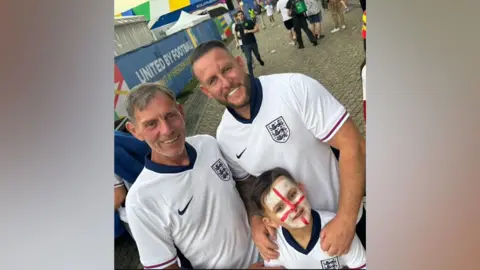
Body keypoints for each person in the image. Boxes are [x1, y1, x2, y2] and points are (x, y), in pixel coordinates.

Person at [190, 40, 366, 262]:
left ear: (240, 62)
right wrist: (255, 220)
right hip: (298, 247)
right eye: (213, 80)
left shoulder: (293, 87)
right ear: (206, 91)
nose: (226, 82)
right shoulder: (225, 136)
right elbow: (247, 183)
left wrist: (346, 220)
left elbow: (354, 144)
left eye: (227, 69)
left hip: (347, 222)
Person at [123, 83, 259, 269]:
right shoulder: (140, 201)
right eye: (151, 124)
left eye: (170, 115)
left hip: (270, 254)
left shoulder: (208, 144)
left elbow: (242, 188)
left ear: (181, 112)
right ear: (134, 131)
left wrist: (257, 218)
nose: (167, 130)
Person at [252, 168, 367, 269]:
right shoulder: (273, 247)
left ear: (301, 189)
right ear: (270, 222)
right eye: (280, 208)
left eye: (292, 195)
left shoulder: (337, 229)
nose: (293, 207)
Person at [234, 10, 265, 76]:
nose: (240, 16)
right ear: (237, 17)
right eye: (239, 15)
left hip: (253, 42)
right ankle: (251, 75)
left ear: (243, 15)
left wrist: (249, 31)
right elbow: (236, 35)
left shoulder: (249, 22)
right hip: (245, 45)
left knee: (257, 55)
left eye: (241, 14)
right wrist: (237, 42)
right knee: (249, 60)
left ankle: (259, 60)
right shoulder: (237, 26)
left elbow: (257, 29)